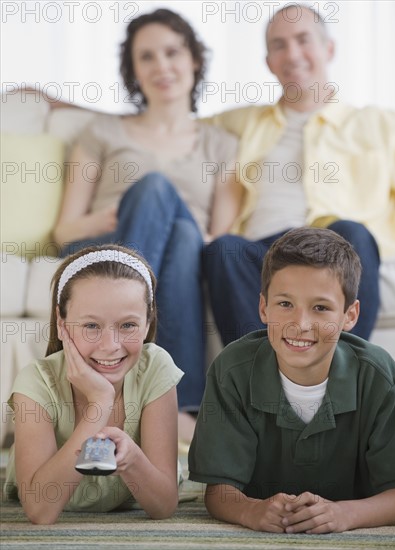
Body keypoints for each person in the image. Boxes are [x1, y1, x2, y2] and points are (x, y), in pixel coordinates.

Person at [52, 8, 241, 443]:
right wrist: (108, 216)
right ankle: (174, 407)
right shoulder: (101, 131)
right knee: (154, 189)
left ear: (194, 59)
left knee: (186, 235)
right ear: (133, 70)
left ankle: (137, 396)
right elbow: (64, 231)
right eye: (147, 57)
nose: (161, 66)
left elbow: (219, 236)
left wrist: (173, 221)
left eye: (172, 52)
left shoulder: (222, 143)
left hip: (183, 254)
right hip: (99, 249)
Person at [203, 4, 395, 346]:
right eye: (279, 45)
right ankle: (256, 383)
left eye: (303, 40)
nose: (292, 54)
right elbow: (172, 130)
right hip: (263, 253)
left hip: (335, 244)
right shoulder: (241, 122)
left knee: (353, 232)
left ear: (328, 49)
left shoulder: (380, 125)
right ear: (268, 62)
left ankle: (343, 375)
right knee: (223, 249)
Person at [189, 227, 395, 534]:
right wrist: (250, 510)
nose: (300, 325)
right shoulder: (231, 370)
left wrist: (343, 514)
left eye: (321, 308)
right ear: (263, 308)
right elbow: (218, 493)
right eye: (285, 304)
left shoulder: (379, 376)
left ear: (350, 316)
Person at [4, 244, 184, 524]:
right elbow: (40, 511)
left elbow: (163, 506)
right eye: (91, 326)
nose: (110, 346)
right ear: (61, 323)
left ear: (148, 323)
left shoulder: (156, 368)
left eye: (128, 326)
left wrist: (133, 460)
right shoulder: (37, 381)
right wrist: (99, 405)